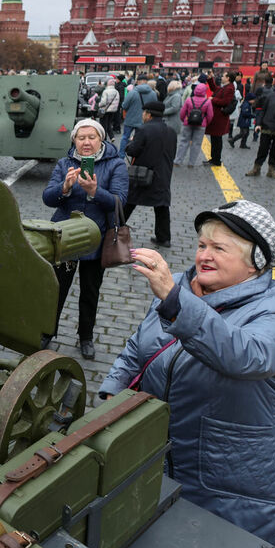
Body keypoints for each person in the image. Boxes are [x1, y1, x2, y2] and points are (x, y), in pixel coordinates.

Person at [103, 201, 275, 548]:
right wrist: (109, 397)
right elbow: (138, 348)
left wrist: (175, 301)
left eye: (219, 248)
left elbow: (245, 355)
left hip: (231, 480)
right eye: (201, 245)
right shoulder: (182, 287)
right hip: (161, 459)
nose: (204, 256)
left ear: (256, 262)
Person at [41, 118, 128, 359]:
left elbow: (119, 201)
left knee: (90, 291)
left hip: (96, 238)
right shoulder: (65, 163)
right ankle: (47, 330)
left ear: (101, 139)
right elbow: (47, 198)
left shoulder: (116, 164)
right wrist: (64, 188)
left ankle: (86, 336)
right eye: (81, 138)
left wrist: (94, 191)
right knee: (57, 288)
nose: (86, 142)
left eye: (92, 137)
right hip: (66, 238)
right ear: (74, 141)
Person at [124, 101, 177, 248]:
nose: (142, 115)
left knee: (129, 202)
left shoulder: (143, 129)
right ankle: (164, 238)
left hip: (142, 174)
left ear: (148, 114)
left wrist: (129, 144)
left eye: (144, 112)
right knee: (162, 206)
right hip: (163, 174)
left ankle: (115, 229)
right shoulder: (171, 131)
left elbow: (133, 150)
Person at [173, 83, 212, 167]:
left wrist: (184, 120)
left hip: (188, 123)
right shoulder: (207, 101)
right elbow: (210, 115)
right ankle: (191, 163)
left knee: (183, 142)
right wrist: (205, 123)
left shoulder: (189, 100)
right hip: (201, 125)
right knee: (196, 144)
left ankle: (177, 161)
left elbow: (182, 113)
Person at [204, 72, 238, 166]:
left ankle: (216, 160)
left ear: (228, 78)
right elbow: (215, 89)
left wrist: (212, 99)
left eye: (223, 76)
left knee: (217, 140)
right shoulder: (225, 87)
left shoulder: (229, 88)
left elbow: (225, 102)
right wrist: (210, 79)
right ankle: (213, 159)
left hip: (220, 118)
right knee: (214, 139)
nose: (221, 77)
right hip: (217, 117)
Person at [119, 74, 157, 149]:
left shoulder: (132, 92)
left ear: (138, 82)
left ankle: (121, 154)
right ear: (146, 82)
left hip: (130, 119)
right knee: (140, 139)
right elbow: (154, 107)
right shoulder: (153, 93)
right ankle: (136, 154)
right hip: (145, 120)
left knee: (125, 137)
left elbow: (124, 105)